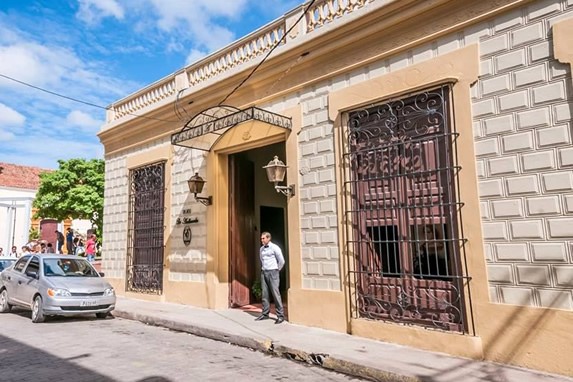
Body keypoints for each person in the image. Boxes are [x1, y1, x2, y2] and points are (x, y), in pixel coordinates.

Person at [255, 232, 286, 324]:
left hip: (273, 272)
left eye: (263, 238)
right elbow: (261, 259)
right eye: (261, 238)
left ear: (268, 238)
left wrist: (277, 270)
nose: (262, 240)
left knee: (275, 294)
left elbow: (281, 261)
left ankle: (280, 315)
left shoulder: (275, 248)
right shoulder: (261, 249)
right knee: (265, 294)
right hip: (264, 272)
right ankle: (265, 314)